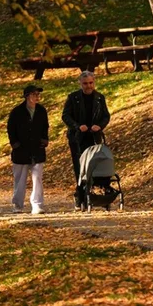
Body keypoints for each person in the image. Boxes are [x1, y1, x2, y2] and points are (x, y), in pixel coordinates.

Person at [62, 70, 111, 210]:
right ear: (80, 84)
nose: (88, 86)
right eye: (85, 84)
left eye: (91, 83)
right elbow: (66, 116)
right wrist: (77, 126)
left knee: (97, 166)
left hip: (94, 137)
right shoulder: (73, 98)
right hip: (78, 138)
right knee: (80, 168)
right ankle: (80, 196)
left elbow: (106, 116)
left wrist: (100, 126)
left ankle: (100, 195)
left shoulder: (99, 98)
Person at [7, 84, 49, 214]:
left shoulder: (41, 110)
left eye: (38, 94)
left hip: (37, 149)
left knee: (37, 178)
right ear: (27, 96)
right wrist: (15, 144)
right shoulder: (17, 112)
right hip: (21, 150)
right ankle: (18, 205)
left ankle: (37, 204)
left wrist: (44, 139)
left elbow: (45, 127)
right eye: (34, 94)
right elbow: (11, 129)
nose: (37, 97)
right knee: (20, 179)